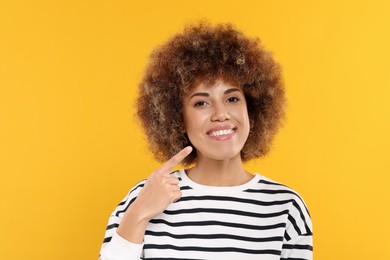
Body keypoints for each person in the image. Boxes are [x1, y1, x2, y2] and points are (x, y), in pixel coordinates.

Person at [99, 22, 313, 260]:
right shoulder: (145, 196)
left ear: (252, 108)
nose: (220, 113)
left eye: (232, 99)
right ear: (177, 118)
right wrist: (138, 214)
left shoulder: (285, 207)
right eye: (201, 102)